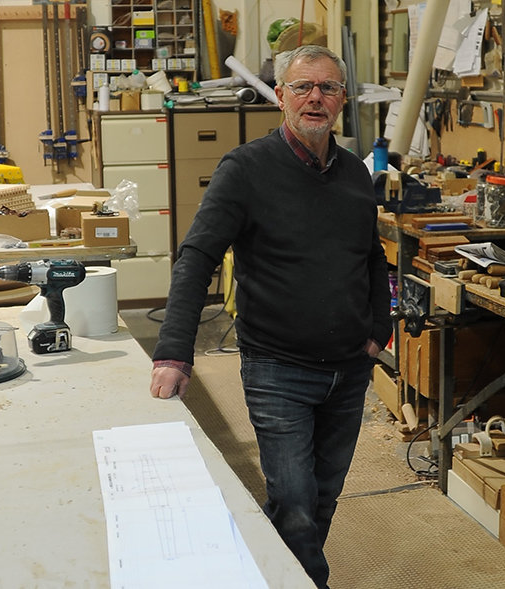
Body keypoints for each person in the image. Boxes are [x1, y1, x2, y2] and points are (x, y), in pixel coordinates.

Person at [150, 44, 393, 588]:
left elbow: (371, 256)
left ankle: (279, 573)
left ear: (341, 101)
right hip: (279, 370)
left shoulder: (355, 173)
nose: (315, 97)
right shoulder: (246, 169)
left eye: (328, 88)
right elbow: (197, 257)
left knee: (322, 499)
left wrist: (382, 327)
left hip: (349, 371)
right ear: (280, 96)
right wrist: (173, 351)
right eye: (303, 87)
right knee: (295, 501)